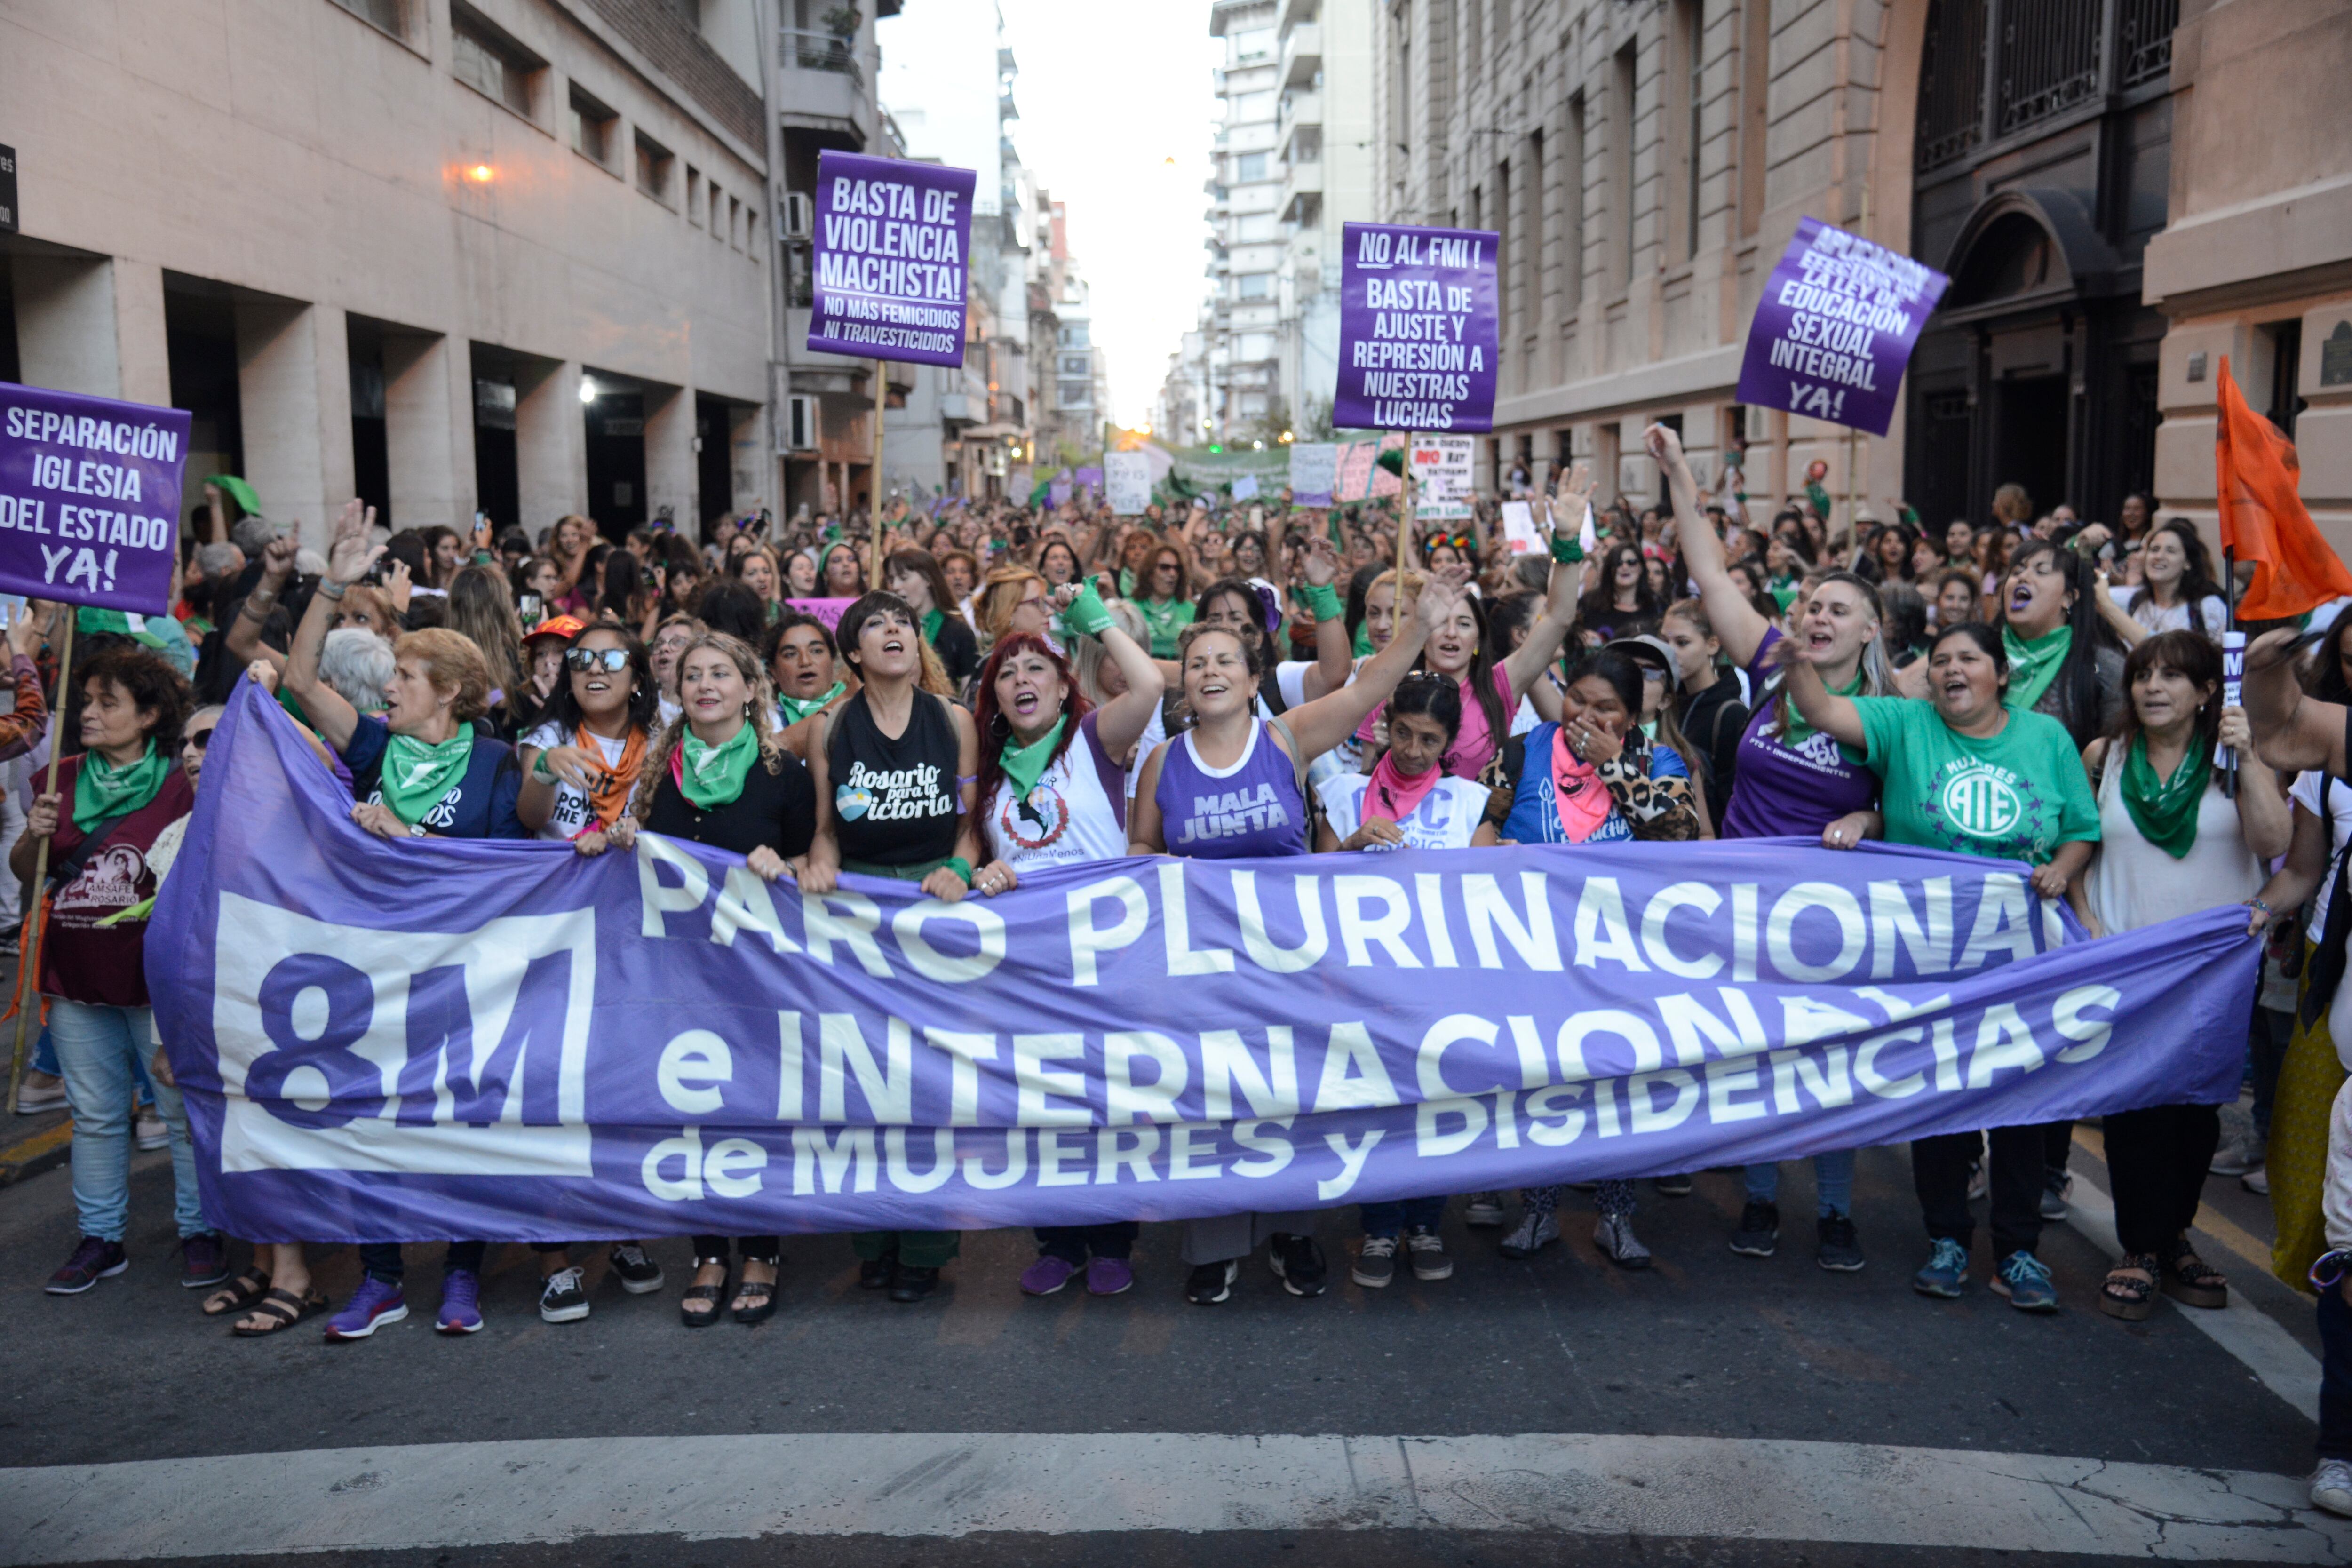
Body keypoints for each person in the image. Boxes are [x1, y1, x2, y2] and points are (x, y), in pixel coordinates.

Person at [1129, 571, 1466, 1305]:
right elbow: (1139, 856)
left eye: (1226, 661)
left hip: (1290, 965)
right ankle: (1214, 1249)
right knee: (1213, 1105)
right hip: (1204, 972)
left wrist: (1420, 627)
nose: (1210, 671)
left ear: (1255, 681)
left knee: (1289, 1101)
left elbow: (1366, 690)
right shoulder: (1163, 763)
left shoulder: (1286, 738)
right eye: (1197, 663)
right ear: (1183, 686)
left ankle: (1293, 1237)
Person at [1780, 620, 2099, 1311]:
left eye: (1970, 659)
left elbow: (2080, 829)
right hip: (1929, 959)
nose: (1953, 670)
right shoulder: (1905, 723)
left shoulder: (2046, 739)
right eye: (1943, 661)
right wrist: (1794, 659)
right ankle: (1947, 1239)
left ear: (2001, 675)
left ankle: (2017, 1253)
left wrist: (2060, 869)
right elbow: (1821, 709)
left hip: (2023, 958)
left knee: (2020, 1106)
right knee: (1943, 1102)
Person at [284, 500, 526, 1339]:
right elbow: (299, 680)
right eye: (392, 673)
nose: (388, 685)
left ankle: (463, 1272)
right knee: (372, 1117)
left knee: (460, 1122)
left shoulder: (497, 762)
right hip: (372, 965)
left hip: (463, 970)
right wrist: (330, 587)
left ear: (450, 692)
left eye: (407, 676)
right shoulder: (375, 749)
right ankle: (381, 1275)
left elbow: (504, 871)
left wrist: (411, 834)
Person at [591, 631, 815, 1326]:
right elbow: (634, 852)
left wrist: (790, 865)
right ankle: (709, 1250)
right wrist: (616, 838)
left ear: (752, 690)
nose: (706, 685)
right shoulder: (659, 771)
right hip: (679, 974)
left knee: (753, 1106)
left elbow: (812, 863)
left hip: (756, 976)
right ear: (678, 693)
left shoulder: (786, 773)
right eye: (693, 676)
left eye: (722, 674)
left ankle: (761, 1252)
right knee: (691, 1108)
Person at [2074, 632, 2288, 1320]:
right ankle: (2140, 1246)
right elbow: (2074, 844)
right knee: (2136, 1110)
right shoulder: (2105, 758)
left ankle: (2174, 1235)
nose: (2153, 687)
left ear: (2206, 693)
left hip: (2216, 969)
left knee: (2196, 1111)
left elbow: (2273, 843)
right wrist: (2087, 922)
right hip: (2129, 962)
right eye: (2143, 675)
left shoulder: (2234, 759)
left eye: (2173, 676)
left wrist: (2250, 755)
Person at [965, 582, 1164, 1297]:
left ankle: (1114, 1241)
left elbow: (1147, 682)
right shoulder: (987, 780)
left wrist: (1094, 620)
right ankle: (1057, 1240)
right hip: (1026, 966)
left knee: (1108, 1105)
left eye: (1036, 669)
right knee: (1040, 1107)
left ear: (1061, 687)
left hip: (1107, 956)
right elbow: (977, 853)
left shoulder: (1093, 740)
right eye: (1007, 674)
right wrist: (983, 871)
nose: (1021, 680)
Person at [1472, 648, 1701, 1268]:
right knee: (1542, 1083)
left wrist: (1616, 768)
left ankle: (1617, 1215)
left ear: (1632, 716)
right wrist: (1497, 856)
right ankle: (1540, 1210)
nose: (1586, 716)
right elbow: (1481, 827)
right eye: (1578, 699)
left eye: (1607, 709)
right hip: (1534, 953)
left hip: (1620, 958)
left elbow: (1681, 837)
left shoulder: (1661, 762)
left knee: (1618, 1085)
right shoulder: (1521, 752)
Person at [800, 591, 984, 1302]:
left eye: (902, 622)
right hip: (861, 912)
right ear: (853, 653)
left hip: (934, 907)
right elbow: (825, 824)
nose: (894, 632)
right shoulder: (828, 727)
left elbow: (972, 824)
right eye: (875, 624)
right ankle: (871, 1238)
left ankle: (927, 1245)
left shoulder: (957, 721)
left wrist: (962, 868)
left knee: (931, 1084)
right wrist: (819, 858)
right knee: (864, 1081)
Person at [23, 642, 220, 1298]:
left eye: (109, 703)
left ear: (150, 714)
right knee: (97, 1115)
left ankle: (199, 1230)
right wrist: (33, 833)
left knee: (177, 1106)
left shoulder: (181, 775)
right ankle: (100, 1238)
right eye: (86, 700)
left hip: (155, 982)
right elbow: (32, 876)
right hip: (75, 977)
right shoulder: (61, 774)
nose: (89, 713)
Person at [2106, 518, 2228, 644]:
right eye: (2154, 550)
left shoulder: (2209, 607)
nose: (2159, 557)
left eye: (2171, 551)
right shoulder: (2136, 602)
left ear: (2187, 563)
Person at [884, 548, 980, 688]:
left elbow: (970, 694)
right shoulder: (888, 631)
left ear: (928, 579)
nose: (896, 586)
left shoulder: (958, 632)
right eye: (892, 579)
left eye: (904, 578)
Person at [1135, 544, 1196, 657]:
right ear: (1149, 573)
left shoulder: (1190, 610)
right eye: (1165, 567)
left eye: (1177, 569)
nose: (1172, 574)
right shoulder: (1132, 608)